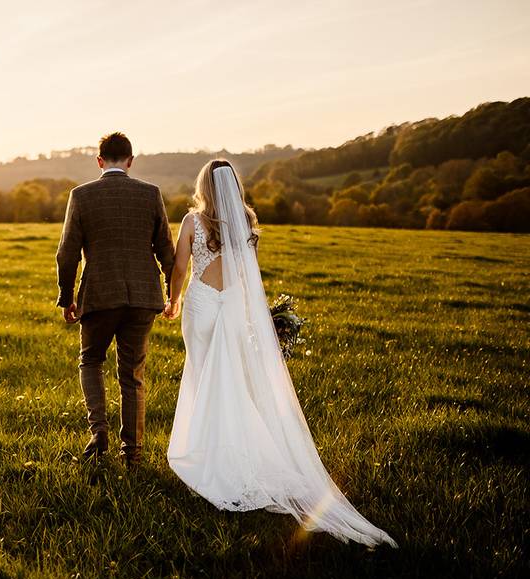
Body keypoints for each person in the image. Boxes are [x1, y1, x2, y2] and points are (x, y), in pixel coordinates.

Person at [163, 158, 397, 547]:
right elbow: (248, 277)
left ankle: (207, 456)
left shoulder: (192, 221)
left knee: (203, 377)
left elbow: (180, 267)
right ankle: (233, 453)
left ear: (203, 184)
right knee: (234, 384)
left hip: (202, 306)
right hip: (234, 306)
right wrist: (254, 320)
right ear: (234, 185)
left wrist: (173, 300)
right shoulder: (247, 222)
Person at [55, 132, 175, 469]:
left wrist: (66, 297)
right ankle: (132, 454)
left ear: (99, 161)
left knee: (91, 360)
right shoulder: (150, 194)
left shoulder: (81, 195)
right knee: (132, 374)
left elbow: (66, 254)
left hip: (99, 294)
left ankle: (99, 431)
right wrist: (170, 292)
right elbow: (166, 248)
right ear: (131, 160)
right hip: (142, 296)